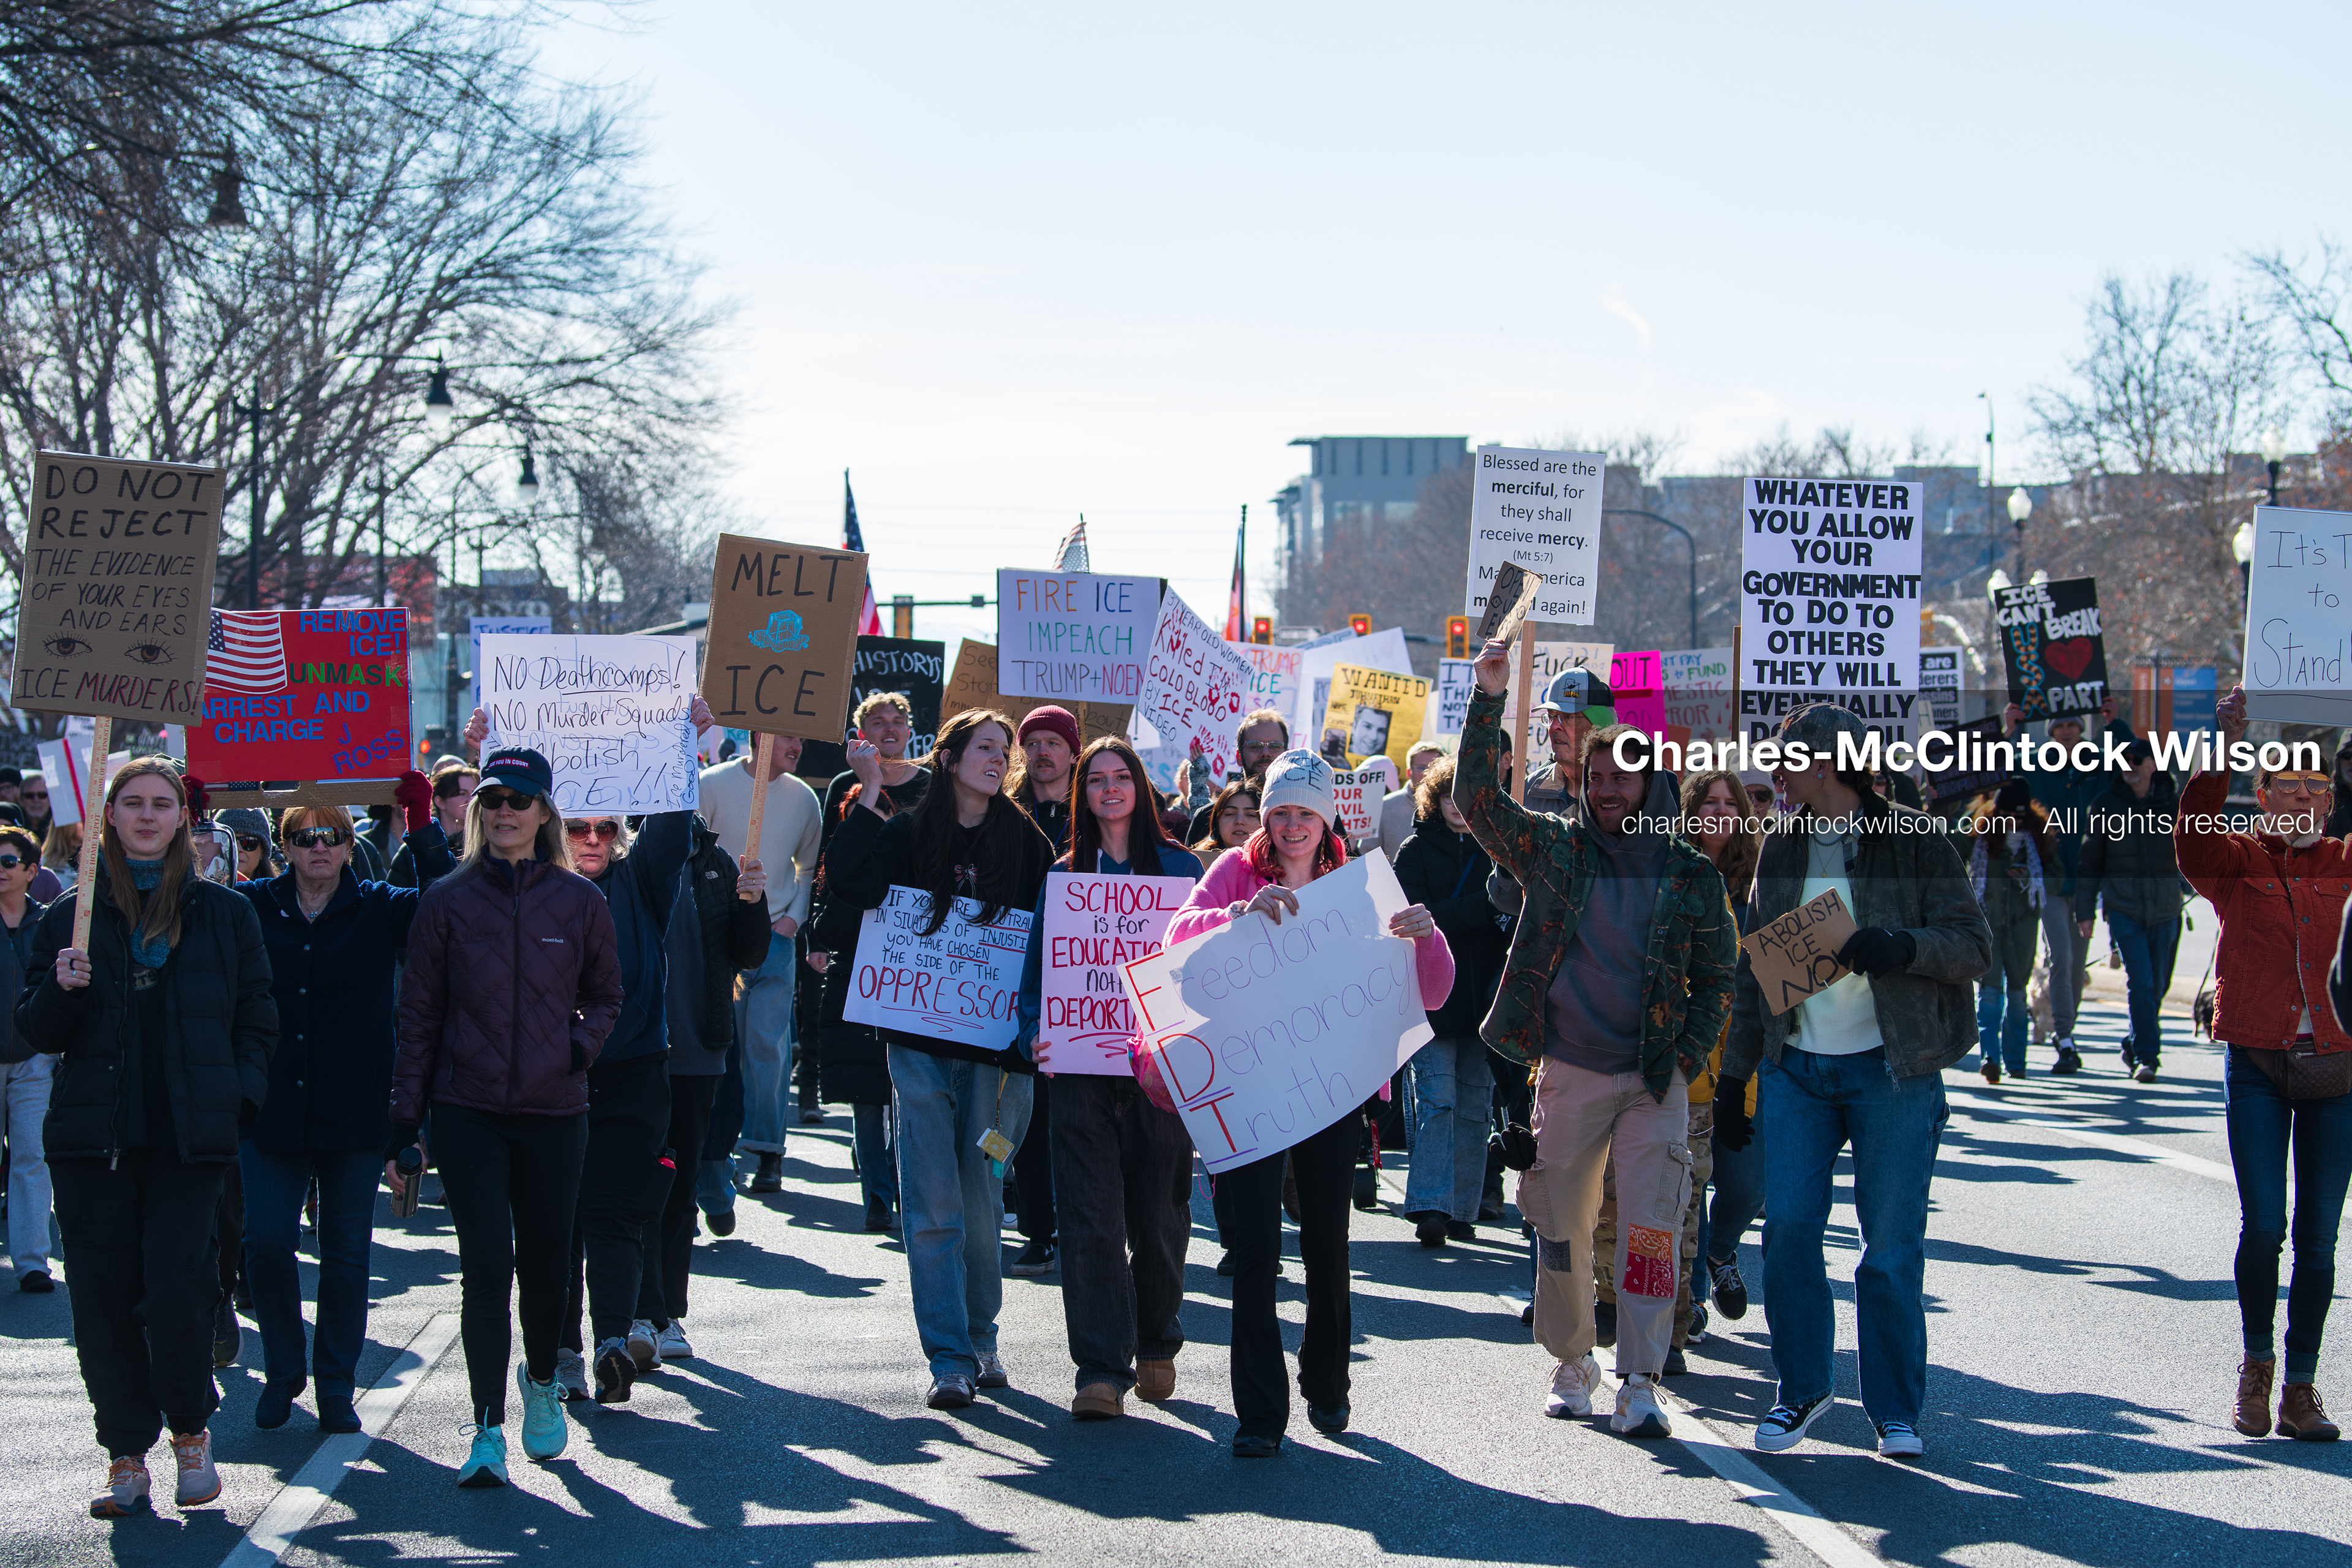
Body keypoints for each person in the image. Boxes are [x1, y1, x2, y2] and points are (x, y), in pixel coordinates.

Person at [1454, 640, 1729, 1442]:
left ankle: (1640, 1379)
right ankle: (1574, 1363)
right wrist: (1488, 696)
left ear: (1649, 785)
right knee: (1561, 1229)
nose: (1609, 790)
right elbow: (1476, 799)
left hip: (1653, 1082)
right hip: (1570, 1073)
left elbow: (1719, 980)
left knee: (1651, 1230)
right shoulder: (1557, 850)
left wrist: (1683, 1058)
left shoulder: (1690, 875)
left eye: (1624, 777)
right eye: (1598, 777)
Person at [1165, 747, 1453, 1456]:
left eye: (1306, 813)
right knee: (1255, 1248)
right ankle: (1260, 1414)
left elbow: (1435, 991)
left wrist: (1428, 937)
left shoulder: (1359, 882)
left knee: (1328, 1243)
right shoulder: (1234, 867)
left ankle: (1327, 1383)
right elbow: (1176, 944)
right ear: (1265, 817)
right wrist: (1236, 914)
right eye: (1280, 812)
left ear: (1327, 821)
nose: (1292, 826)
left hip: (1332, 1090)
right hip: (1248, 1086)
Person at [1721, 703, 1991, 1460]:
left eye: (1790, 758)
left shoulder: (1914, 837)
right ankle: (1802, 1389)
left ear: (1834, 758)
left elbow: (1974, 945)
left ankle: (1895, 1411)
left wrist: (1901, 945)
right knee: (1789, 1236)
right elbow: (1756, 970)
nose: (1778, 772)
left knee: (1890, 1249)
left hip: (1893, 1071)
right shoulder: (1782, 845)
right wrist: (1741, 1071)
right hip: (1797, 1070)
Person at [16, 758, 276, 1518]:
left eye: (162, 803)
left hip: (189, 1145)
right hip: (92, 1143)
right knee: (100, 1301)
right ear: (108, 814)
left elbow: (257, 1020)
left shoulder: (226, 915)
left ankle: (191, 1433)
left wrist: (239, 1100)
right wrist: (57, 990)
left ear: (183, 820)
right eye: (131, 802)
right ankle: (126, 1456)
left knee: (178, 1295)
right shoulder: (70, 912)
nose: (147, 815)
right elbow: (29, 1030)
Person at [459, 698, 720, 1409]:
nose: (595, 837)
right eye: (579, 825)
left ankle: (612, 1342)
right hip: (548, 1079)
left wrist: (687, 747)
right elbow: (472, 847)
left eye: (609, 826)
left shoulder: (642, 884)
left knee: (612, 1212)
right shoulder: (524, 886)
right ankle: (564, 1351)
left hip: (632, 1073)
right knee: (556, 1225)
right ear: (553, 826)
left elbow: (670, 829)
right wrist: (486, 753)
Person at [387, 747, 624, 1487]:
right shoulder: (446, 902)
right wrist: (405, 1122)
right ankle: (486, 1424)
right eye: (493, 798)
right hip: (469, 1110)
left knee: (549, 1268)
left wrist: (574, 1050)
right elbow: (417, 1016)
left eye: (520, 799)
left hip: (555, 1110)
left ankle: (544, 1385)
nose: (505, 811)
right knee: (487, 1265)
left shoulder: (581, 901)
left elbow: (608, 996)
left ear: (545, 811)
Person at [824, 709, 1055, 1410]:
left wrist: (1040, 1031)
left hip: (995, 1059)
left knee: (982, 1198)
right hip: (919, 1050)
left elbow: (1049, 939)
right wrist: (867, 792)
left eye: (1003, 751)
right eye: (985, 747)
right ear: (949, 758)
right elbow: (852, 886)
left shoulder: (1026, 841)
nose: (998, 758)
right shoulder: (908, 827)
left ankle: (982, 1337)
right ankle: (949, 1357)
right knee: (930, 1202)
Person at [233, 779, 450, 1433]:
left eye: (331, 835)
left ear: (351, 845)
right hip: (269, 1108)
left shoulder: (382, 905)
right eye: (305, 836)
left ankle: (334, 1383)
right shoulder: (251, 905)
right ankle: (284, 1368)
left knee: (347, 1250)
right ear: (286, 845)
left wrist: (421, 823)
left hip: (354, 1107)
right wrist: (193, 816)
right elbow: (194, 895)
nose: (319, 846)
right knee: (265, 1243)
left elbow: (448, 905)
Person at [1016, 737, 1204, 1419]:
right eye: (1096, 778)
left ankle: (1156, 1337)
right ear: (1081, 793)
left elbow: (1206, 966)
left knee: (1159, 1212)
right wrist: (1031, 1032)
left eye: (1122, 775)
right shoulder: (1064, 874)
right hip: (1079, 1069)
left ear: (1142, 788)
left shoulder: (1184, 868)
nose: (1110, 787)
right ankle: (1100, 1366)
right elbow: (1036, 977)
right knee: (1090, 1215)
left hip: (1160, 1072)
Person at [2187, 686, 2348, 1442]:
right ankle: (2255, 1367)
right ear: (2264, 794)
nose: (2306, 800)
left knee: (2320, 1237)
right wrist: (2224, 740)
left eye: (2320, 789)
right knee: (2265, 1224)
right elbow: (2193, 838)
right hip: (2257, 1062)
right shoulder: (2239, 862)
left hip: (2336, 1074)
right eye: (2291, 787)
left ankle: (2301, 1384)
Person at [641, 790, 772, 1364]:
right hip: (627, 1057)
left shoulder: (717, 863)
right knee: (629, 1190)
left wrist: (754, 903)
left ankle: (667, 1314)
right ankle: (632, 1314)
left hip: (695, 1054)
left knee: (677, 1189)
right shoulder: (616, 853)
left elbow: (750, 953)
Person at [802, 695, 932, 1235]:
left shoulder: (933, 785)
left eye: (897, 720)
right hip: (858, 940)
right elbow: (831, 862)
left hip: (917, 944)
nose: (888, 728)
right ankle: (878, 1195)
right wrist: (818, 930)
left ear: (910, 730)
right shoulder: (843, 785)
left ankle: (907, 1186)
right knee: (864, 1084)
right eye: (876, 721)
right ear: (859, 732)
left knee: (910, 1079)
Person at [698, 732, 821, 1194]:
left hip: (774, 939)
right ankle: (716, 1150)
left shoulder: (805, 799)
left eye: (801, 737)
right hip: (719, 940)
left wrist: (792, 919)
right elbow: (695, 857)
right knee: (719, 1050)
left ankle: (769, 1152)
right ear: (759, 737)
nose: (799, 745)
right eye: (789, 736)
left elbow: (808, 869)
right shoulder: (710, 785)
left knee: (768, 1047)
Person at [1391, 756, 1506, 1247]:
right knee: (1439, 1098)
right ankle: (1429, 1205)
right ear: (1434, 800)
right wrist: (1475, 912)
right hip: (1433, 996)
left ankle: (1462, 1207)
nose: (1458, 807)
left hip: (1485, 996)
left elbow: (1506, 909)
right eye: (1449, 796)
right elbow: (1406, 916)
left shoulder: (1498, 850)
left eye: (1468, 796)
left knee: (1476, 1105)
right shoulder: (1414, 850)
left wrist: (1443, 917)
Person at [1679, 771, 1766, 1333]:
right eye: (1707, 801)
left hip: (1749, 1049)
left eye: (1728, 803)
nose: (1718, 812)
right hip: (1688, 1050)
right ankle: (1688, 1301)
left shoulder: (1761, 877)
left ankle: (1722, 1250)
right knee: (1689, 1186)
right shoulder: (1672, 870)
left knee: (1749, 1182)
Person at [2005, 698, 2132, 1071]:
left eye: (2073, 726)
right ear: (2051, 733)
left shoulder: (2097, 768)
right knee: (2061, 955)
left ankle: (2066, 1027)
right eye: (2060, 727)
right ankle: (2065, 1038)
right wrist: (2011, 731)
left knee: (2076, 966)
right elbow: (2004, 773)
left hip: (2088, 882)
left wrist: (2115, 724)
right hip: (2049, 879)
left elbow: (2127, 765)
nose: (2067, 733)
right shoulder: (2037, 768)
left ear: (2082, 729)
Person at [1007, 706, 1084, 1275]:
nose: (1042, 752)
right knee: (1025, 1110)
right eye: (1031, 742)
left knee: (1078, 1112)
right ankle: (1036, 1227)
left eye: (1053, 741)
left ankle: (1084, 1224)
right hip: (1016, 975)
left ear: (1073, 753)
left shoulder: (1094, 814)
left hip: (1083, 977)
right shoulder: (1005, 816)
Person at [2075, 739, 2185, 1081]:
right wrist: (2085, 911)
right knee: (2141, 981)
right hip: (2123, 907)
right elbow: (2090, 862)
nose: (2130, 765)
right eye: (2123, 759)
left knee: (2158, 986)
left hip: (2167, 906)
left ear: (2154, 764)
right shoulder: (2104, 805)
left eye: (2137, 759)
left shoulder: (2174, 803)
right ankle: (2147, 1058)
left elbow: (2196, 848)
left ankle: (2135, 1040)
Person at [1485, 666, 1615, 916]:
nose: (1554, 727)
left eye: (1568, 717)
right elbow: (1505, 902)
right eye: (1551, 717)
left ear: (1600, 726)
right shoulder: (1525, 794)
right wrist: (1510, 866)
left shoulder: (1634, 790)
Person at [1967, 781, 2061, 1083]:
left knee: (2019, 998)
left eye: (2018, 817)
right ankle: (1990, 1058)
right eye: (2006, 815)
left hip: (2023, 928)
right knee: (1990, 995)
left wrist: (2034, 879)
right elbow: (1953, 854)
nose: (2012, 823)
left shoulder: (2040, 840)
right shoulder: (1980, 837)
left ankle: (2016, 1061)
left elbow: (2059, 879)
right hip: (1989, 926)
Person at [0, 824, 56, 1292]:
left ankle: (33, 1262)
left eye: (8, 862)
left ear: (31, 871)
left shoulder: (50, 921)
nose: (0, 871)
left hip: (35, 1059)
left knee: (31, 1156)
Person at [1183, 708, 1293, 844]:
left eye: (1275, 746)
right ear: (1239, 757)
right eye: (1255, 746)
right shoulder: (1207, 817)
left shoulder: (1297, 819)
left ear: (1286, 755)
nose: (1266, 753)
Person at [391, 761, 477, 891]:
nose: (470, 800)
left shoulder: (485, 848)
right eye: (462, 794)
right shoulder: (410, 851)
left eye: (475, 794)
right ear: (440, 802)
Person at [1379, 741, 1448, 861]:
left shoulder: (1454, 808)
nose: (1428, 774)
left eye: (1435, 768)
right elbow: (1369, 852)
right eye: (1422, 768)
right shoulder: (1385, 806)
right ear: (1409, 772)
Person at [1189, 778, 1261, 876]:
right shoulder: (1196, 863)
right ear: (1217, 821)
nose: (1239, 821)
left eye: (1250, 815)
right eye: (1230, 814)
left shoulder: (1279, 865)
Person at [219, 807, 275, 882]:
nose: (238, 849)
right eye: (229, 842)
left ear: (263, 851)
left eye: (248, 842)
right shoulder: (201, 891)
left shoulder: (277, 892)